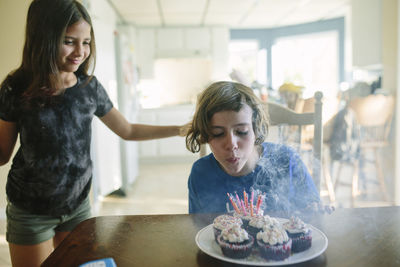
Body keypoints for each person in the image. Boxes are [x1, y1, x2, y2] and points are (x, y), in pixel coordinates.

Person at [0, 1, 187, 266]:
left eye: (86, 42)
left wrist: (180, 130)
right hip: (30, 212)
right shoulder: (15, 88)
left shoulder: (89, 87)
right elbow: (2, 155)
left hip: (78, 207)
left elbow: (128, 130)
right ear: (43, 38)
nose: (80, 52)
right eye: (69, 41)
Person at [186, 81, 330, 215]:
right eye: (217, 134)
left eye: (242, 131)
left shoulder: (287, 161)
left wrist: (316, 213)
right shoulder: (201, 174)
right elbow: (198, 231)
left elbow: (314, 216)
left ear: (256, 129)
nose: (231, 145)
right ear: (205, 134)